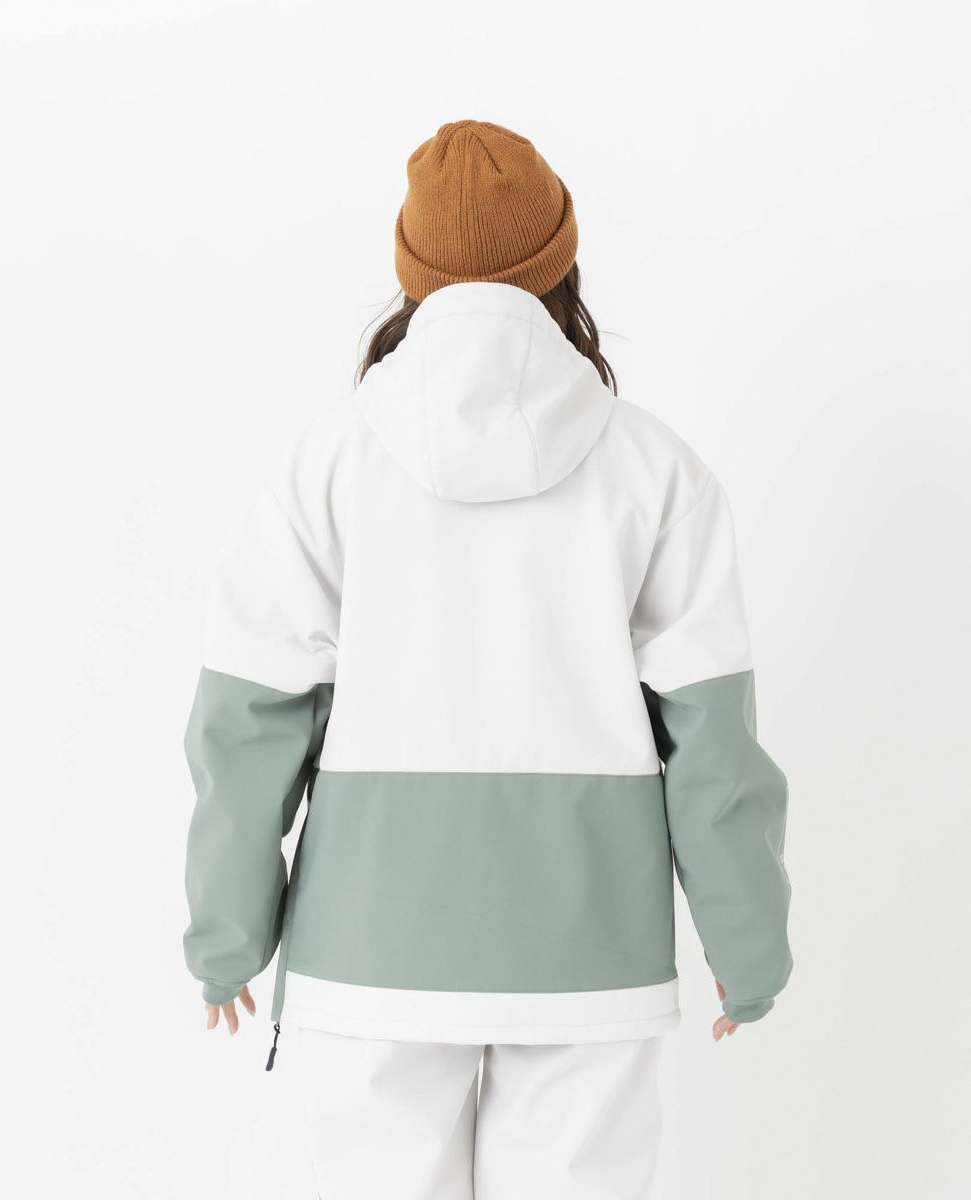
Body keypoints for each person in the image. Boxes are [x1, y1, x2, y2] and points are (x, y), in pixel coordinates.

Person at [181, 118, 793, 1200]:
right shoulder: (655, 471)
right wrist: (748, 950)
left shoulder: (325, 465)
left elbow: (248, 724)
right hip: (588, 952)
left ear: (412, 276)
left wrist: (228, 935)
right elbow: (714, 750)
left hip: (370, 950)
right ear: (560, 266)